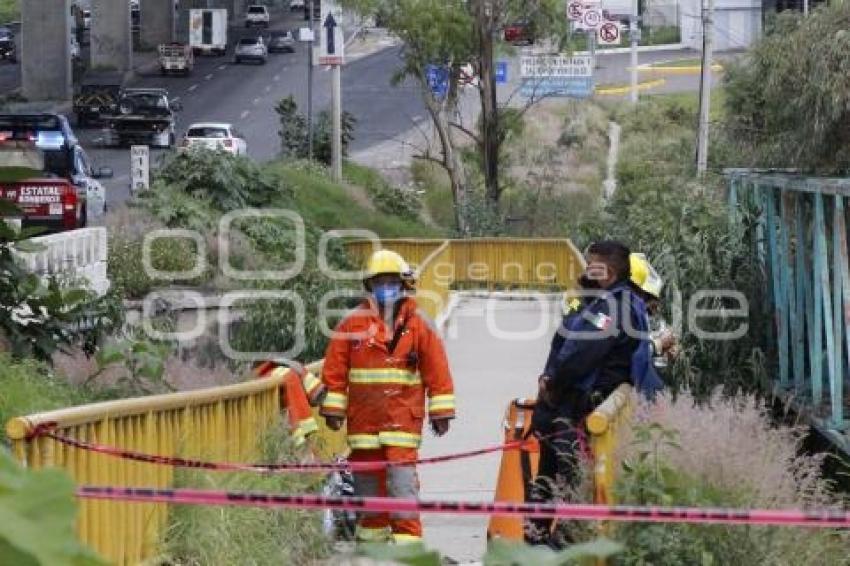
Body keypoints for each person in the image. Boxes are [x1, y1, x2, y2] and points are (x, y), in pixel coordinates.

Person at [525, 240, 663, 547]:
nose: (587, 269)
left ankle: (554, 548)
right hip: (574, 412)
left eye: (593, 264)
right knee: (552, 485)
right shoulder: (613, 303)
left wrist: (552, 384)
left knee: (568, 487)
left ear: (609, 271)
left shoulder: (610, 307)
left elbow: (579, 355)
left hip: (578, 413)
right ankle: (538, 544)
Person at [320, 249, 456, 544]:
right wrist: (333, 410)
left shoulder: (419, 323)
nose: (385, 287)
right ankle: (373, 555)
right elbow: (335, 371)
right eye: (379, 281)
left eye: (391, 280)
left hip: (402, 425)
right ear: (369, 286)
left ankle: (409, 555)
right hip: (363, 428)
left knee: (402, 492)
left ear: (403, 283)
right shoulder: (351, 325)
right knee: (370, 499)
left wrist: (441, 412)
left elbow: (437, 370)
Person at [629, 253, 679, 365]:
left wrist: (667, 353)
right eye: (647, 297)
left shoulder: (648, 319)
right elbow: (627, 355)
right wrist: (659, 344)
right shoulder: (615, 314)